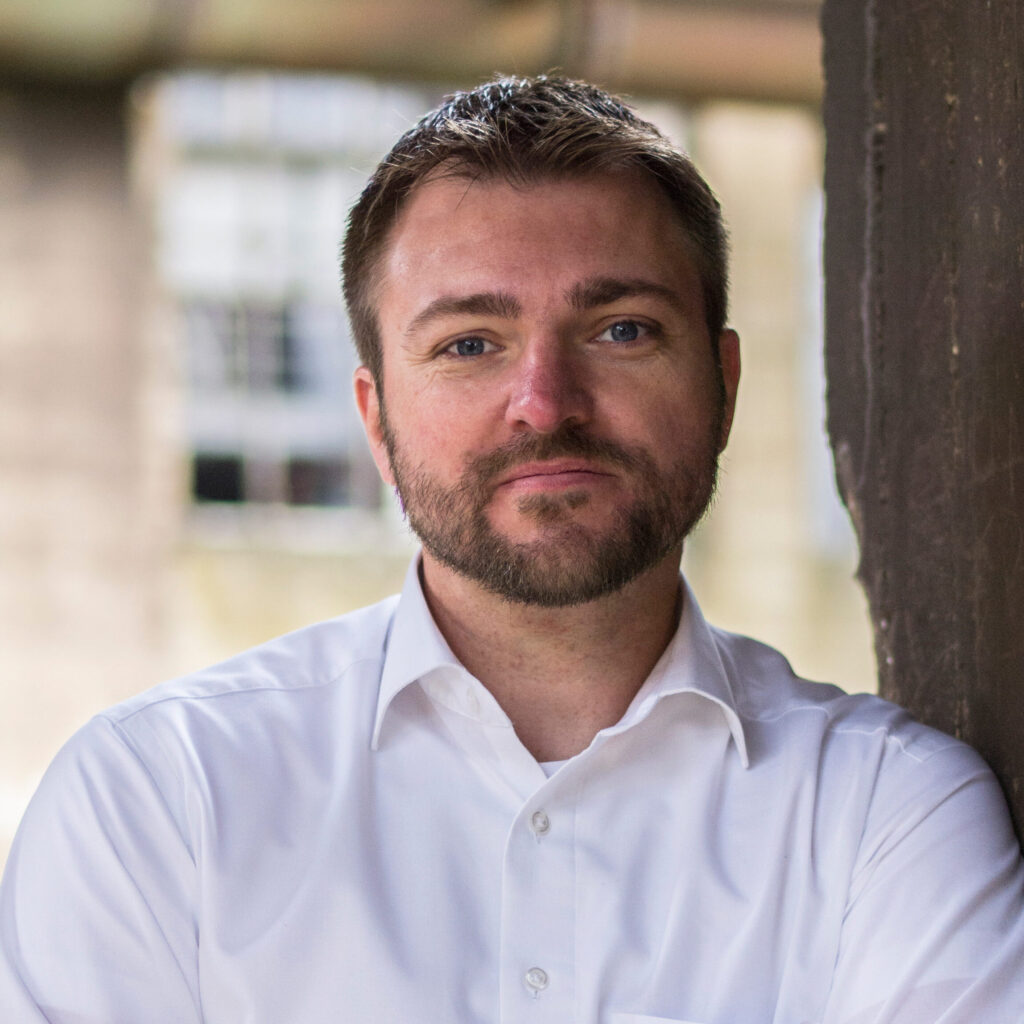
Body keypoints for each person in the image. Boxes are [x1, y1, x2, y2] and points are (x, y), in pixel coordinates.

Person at [1, 75, 1022, 1024]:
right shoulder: (158, 799)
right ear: (375, 417)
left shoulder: (888, 814)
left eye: (621, 329)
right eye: (468, 345)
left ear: (723, 385)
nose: (543, 404)